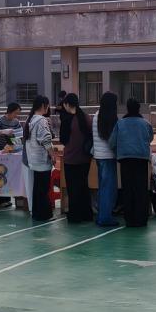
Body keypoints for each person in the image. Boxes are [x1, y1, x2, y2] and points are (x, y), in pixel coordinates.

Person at [110, 99, 154, 227]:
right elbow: (150, 138)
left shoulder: (120, 123)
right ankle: (141, 218)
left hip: (125, 159)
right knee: (141, 188)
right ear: (139, 109)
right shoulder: (145, 123)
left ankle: (129, 219)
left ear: (127, 108)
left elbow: (112, 142)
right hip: (141, 159)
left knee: (128, 188)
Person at [59, 93, 94, 223]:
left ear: (68, 104)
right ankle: (87, 214)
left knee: (72, 188)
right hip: (84, 158)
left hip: (70, 158)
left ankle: (74, 215)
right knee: (84, 185)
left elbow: (63, 140)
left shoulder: (67, 119)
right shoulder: (85, 117)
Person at [23, 96, 55, 221]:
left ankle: (36, 213)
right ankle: (44, 215)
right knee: (43, 189)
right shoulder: (41, 120)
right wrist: (52, 154)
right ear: (43, 105)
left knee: (37, 188)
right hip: (42, 160)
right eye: (47, 105)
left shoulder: (30, 119)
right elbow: (46, 140)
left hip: (33, 159)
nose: (48, 108)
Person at [92, 92, 119, 226]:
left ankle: (101, 215)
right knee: (109, 188)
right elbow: (112, 140)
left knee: (102, 188)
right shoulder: (111, 117)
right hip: (108, 156)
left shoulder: (96, 115)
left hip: (98, 156)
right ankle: (105, 218)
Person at [0, 102, 22, 208]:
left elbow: (19, 134)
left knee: (8, 173)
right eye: (15, 113)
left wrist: (16, 144)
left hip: (10, 150)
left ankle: (7, 199)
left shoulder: (16, 122)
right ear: (10, 111)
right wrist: (4, 131)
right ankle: (0, 199)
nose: (16, 115)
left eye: (17, 113)